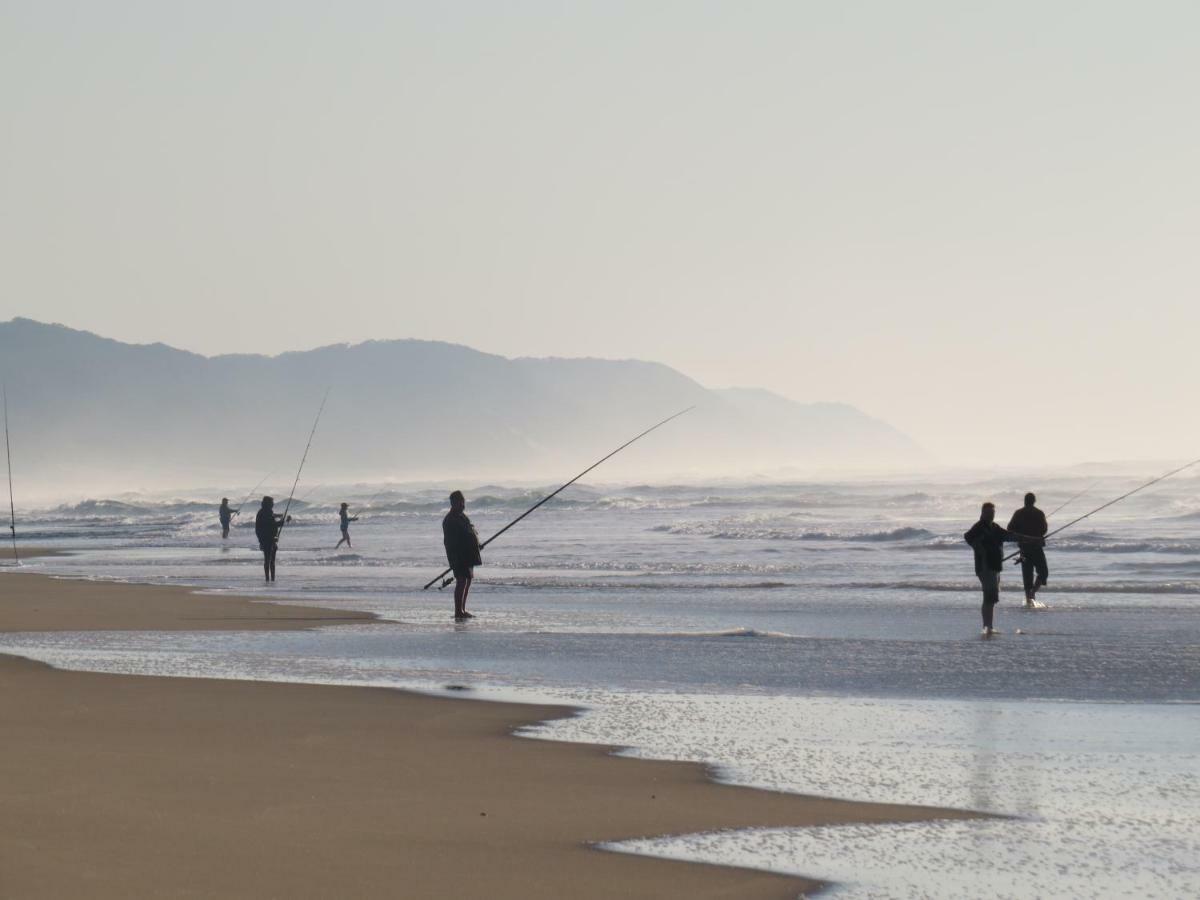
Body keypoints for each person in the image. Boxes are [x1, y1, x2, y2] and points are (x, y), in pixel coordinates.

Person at [964, 502, 1023, 635]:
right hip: (985, 566)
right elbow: (967, 537)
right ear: (982, 513)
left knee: (992, 597)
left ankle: (989, 626)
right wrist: (979, 549)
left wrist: (1027, 538)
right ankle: (987, 627)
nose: (991, 515)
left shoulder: (995, 527)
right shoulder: (979, 527)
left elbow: (1009, 536)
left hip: (995, 566)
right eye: (988, 513)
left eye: (993, 513)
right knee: (988, 596)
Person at [442, 490, 482, 621]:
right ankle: (458, 611)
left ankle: (462, 609)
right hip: (458, 556)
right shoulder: (450, 520)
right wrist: (456, 559)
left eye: (463, 502)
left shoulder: (462, 516)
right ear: (453, 503)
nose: (463, 505)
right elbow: (451, 542)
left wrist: (477, 544)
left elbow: (470, 530)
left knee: (468, 580)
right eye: (460, 502)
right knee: (461, 581)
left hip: (468, 554)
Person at [1007, 492, 1049, 606]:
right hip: (1036, 547)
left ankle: (1029, 598)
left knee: (1027, 575)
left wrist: (1020, 536)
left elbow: (1010, 529)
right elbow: (1044, 529)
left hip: (1024, 548)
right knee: (1043, 572)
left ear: (1025, 501)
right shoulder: (1039, 513)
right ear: (1034, 501)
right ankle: (1032, 593)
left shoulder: (1018, 513)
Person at [254, 496, 288, 583]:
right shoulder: (265, 513)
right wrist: (285, 521)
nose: (273, 504)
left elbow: (271, 518)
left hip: (267, 539)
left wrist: (279, 515)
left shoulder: (262, 512)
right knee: (269, 560)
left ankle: (270, 579)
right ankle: (269, 580)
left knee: (270, 560)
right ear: (268, 503)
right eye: (272, 503)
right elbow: (273, 524)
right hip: (267, 539)